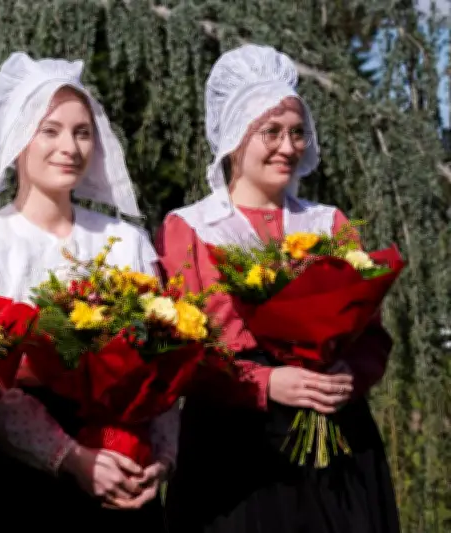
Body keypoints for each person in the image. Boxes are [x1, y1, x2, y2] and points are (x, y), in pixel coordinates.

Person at [156, 43, 400, 533]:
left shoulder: (328, 223)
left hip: (337, 440)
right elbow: (184, 352)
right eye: (271, 132)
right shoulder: (190, 228)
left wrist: (349, 373)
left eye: (296, 133)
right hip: (236, 451)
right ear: (232, 136)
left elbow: (370, 335)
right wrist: (267, 384)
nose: (288, 147)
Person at [0, 52, 177, 533]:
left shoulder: (126, 241)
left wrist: (161, 456)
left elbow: (164, 364)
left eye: (82, 131)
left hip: (127, 468)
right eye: (49, 130)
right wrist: (71, 457)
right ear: (17, 140)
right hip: (25, 488)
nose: (69, 147)